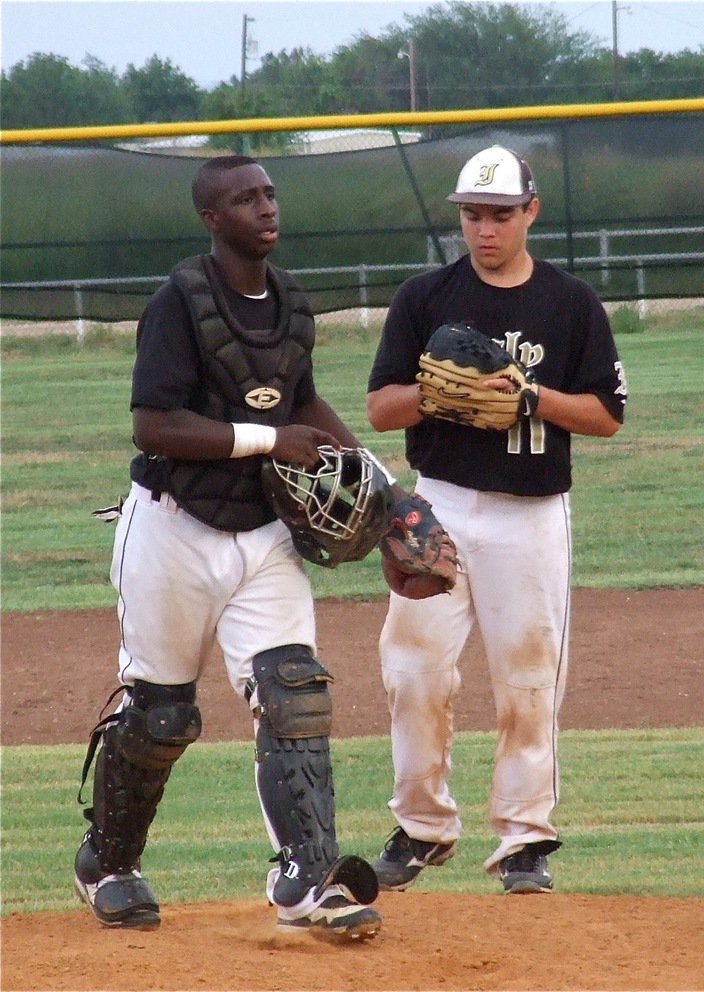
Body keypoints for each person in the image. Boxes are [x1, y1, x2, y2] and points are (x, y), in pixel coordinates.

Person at [74, 155, 396, 941]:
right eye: (245, 198)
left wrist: (384, 485)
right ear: (212, 219)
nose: (266, 206)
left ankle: (310, 879)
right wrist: (266, 441)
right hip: (172, 529)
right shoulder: (179, 303)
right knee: (160, 717)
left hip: (262, 536)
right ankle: (108, 864)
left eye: (270, 193)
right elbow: (154, 424)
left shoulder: (290, 301)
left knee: (295, 695)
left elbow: (304, 400)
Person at [365, 145, 627, 894]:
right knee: (413, 669)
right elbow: (382, 409)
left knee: (528, 678)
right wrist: (438, 393)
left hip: (531, 513)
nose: (485, 230)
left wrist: (529, 398)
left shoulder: (570, 302)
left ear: (530, 213)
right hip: (440, 501)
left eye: (500, 215)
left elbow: (607, 415)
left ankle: (524, 841)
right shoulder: (424, 297)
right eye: (473, 215)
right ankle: (421, 827)